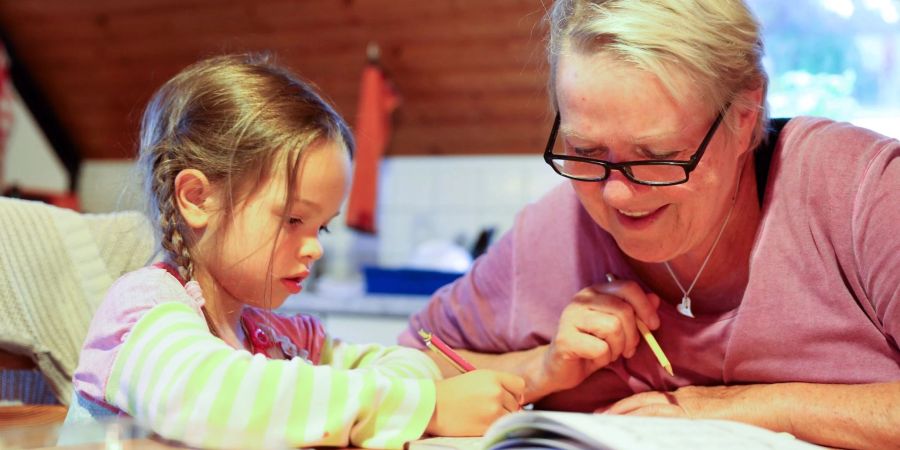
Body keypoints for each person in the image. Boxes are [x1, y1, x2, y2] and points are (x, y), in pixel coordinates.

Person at [400, 1, 900, 448]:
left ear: (745, 116)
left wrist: (729, 408)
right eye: (586, 152)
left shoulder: (862, 193)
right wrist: (543, 368)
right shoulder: (553, 232)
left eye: (657, 157)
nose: (617, 196)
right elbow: (409, 367)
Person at [65, 54, 524, 449]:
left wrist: (405, 392)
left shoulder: (279, 336)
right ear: (197, 198)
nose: (315, 249)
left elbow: (406, 361)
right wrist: (427, 408)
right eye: (292, 220)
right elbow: (222, 403)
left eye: (321, 226)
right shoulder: (140, 313)